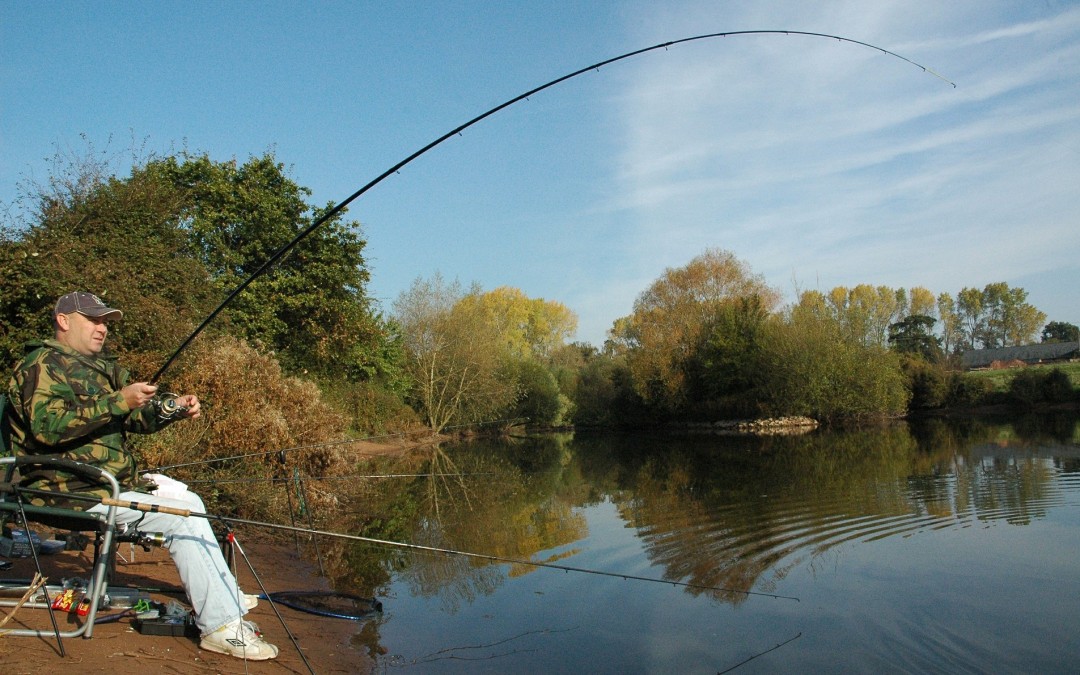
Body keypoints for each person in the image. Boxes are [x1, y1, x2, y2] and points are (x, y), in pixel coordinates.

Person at [4, 292, 278, 660]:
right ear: (64, 321)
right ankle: (220, 627)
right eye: (93, 320)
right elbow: (47, 427)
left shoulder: (105, 370)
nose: (102, 328)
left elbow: (136, 419)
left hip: (109, 482)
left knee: (188, 501)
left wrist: (170, 408)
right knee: (182, 520)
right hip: (66, 490)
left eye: (106, 322)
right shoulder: (41, 365)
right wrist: (119, 401)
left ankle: (223, 597)